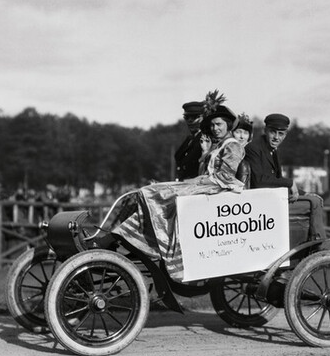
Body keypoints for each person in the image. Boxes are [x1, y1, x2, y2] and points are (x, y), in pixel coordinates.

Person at [98, 94, 244, 281]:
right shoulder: (216, 145)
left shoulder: (233, 146)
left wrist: (195, 181)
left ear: (228, 125)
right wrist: (203, 161)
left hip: (217, 189)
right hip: (207, 184)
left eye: (219, 125)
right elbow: (208, 171)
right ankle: (130, 238)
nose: (215, 129)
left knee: (156, 193)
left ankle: (148, 243)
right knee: (145, 192)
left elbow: (224, 177)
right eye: (213, 125)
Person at [243, 113, 326, 242]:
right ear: (265, 130)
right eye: (273, 132)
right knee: (314, 203)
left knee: (313, 198)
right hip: (262, 203)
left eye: (281, 134)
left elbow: (277, 181)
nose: (276, 137)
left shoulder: (273, 150)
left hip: (273, 198)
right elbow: (259, 182)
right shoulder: (254, 148)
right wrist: (289, 182)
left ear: (285, 135)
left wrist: (305, 193)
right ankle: (318, 244)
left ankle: (309, 241)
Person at [173, 100, 206, 181]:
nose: (190, 121)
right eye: (187, 117)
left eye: (194, 117)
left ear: (204, 117)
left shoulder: (206, 139)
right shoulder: (189, 139)